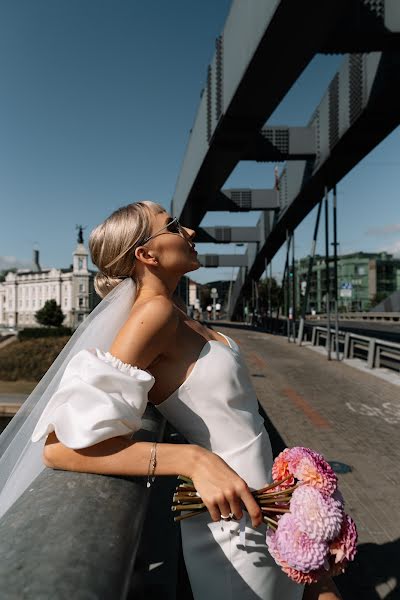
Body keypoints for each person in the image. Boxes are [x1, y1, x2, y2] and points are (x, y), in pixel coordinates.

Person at [0, 201, 342, 600]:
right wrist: (191, 459)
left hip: (261, 501)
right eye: (174, 226)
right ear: (147, 255)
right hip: (231, 517)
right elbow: (59, 449)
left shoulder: (175, 311)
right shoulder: (154, 314)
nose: (191, 232)